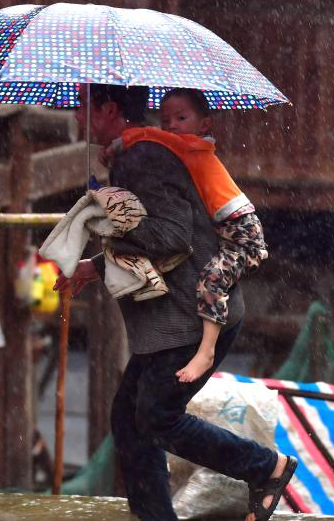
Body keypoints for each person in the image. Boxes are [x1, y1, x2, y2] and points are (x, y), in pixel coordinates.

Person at [55, 84, 296, 521]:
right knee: (129, 420)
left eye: (79, 107)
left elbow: (170, 237)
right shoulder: (138, 153)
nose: (74, 117)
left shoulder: (142, 158)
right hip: (175, 318)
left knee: (155, 418)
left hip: (189, 316)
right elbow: (157, 230)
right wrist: (96, 264)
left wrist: (107, 221)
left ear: (109, 109)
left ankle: (267, 467)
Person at [100, 88, 267, 384]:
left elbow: (152, 137)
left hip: (243, 233)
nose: (172, 125)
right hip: (232, 230)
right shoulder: (184, 149)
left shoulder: (193, 147)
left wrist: (122, 141)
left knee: (212, 279)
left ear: (204, 124)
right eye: (166, 120)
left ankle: (206, 351)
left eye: (181, 117)